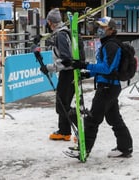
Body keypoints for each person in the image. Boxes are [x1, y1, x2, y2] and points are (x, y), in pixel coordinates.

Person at [72, 16, 133, 158]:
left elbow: (107, 68)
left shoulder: (111, 45)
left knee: (93, 119)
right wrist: (88, 74)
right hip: (110, 86)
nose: (100, 29)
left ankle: (84, 149)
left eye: (103, 27)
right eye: (99, 26)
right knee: (114, 119)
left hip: (107, 88)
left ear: (111, 30)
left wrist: (85, 65)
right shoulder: (106, 44)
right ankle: (125, 147)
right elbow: (102, 67)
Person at [40, 8, 75, 141]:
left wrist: (49, 68)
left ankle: (79, 129)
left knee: (63, 104)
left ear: (51, 22)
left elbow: (66, 60)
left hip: (68, 73)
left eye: (48, 22)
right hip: (69, 73)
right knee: (63, 103)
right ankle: (64, 131)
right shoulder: (65, 32)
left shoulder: (61, 35)